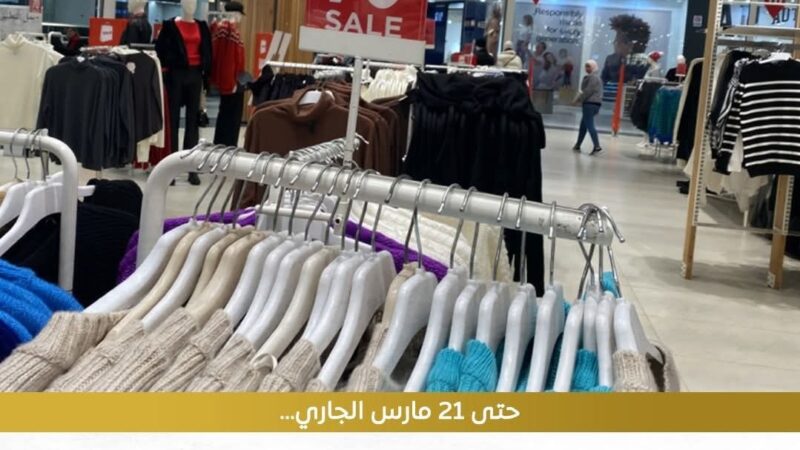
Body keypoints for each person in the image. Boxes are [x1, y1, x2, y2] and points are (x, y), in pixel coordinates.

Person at [573, 60, 603, 155]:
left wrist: (578, 100)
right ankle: (578, 145)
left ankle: (597, 146)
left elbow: (588, 91)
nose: (587, 68)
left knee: (590, 125)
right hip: (593, 104)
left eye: (589, 66)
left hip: (590, 104)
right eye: (586, 66)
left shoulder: (593, 77)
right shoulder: (594, 77)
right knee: (583, 125)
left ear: (593, 67)